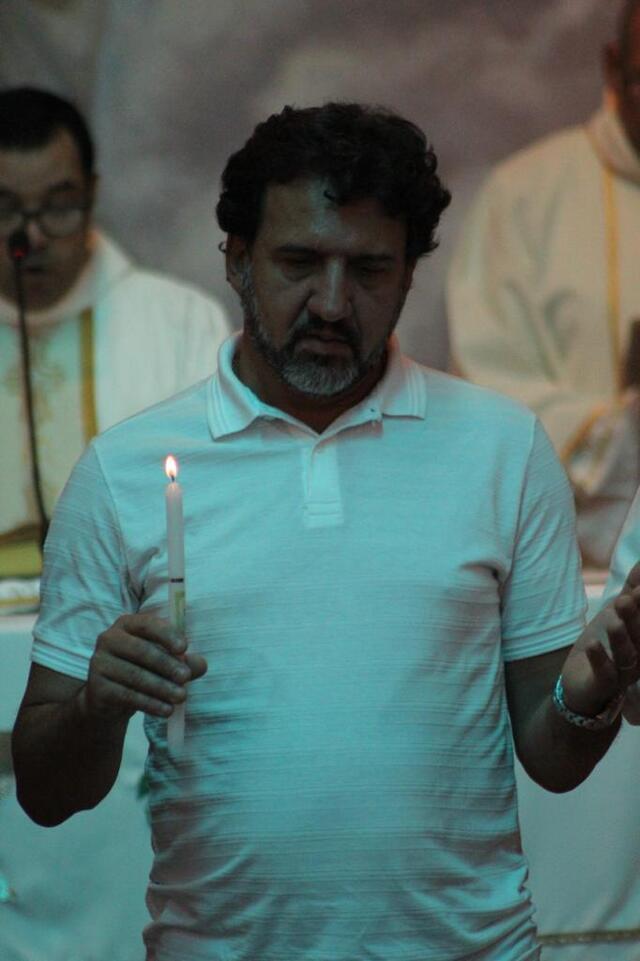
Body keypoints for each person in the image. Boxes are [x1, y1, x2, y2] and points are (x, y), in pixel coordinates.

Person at [11, 101, 640, 961]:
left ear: (411, 274)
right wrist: (97, 704)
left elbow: (552, 755)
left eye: (370, 268)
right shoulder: (125, 472)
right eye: (300, 263)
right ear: (236, 259)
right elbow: (45, 790)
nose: (334, 303)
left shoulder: (501, 448)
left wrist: (593, 689)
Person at [0, 86, 230, 588]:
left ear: (91, 195)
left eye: (58, 207)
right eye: (6, 209)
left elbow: (219, 504)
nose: (30, 236)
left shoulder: (180, 323)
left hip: (129, 613)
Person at [447, 0, 640, 570]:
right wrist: (620, 434)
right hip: (578, 579)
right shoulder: (525, 196)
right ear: (613, 67)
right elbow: (489, 398)